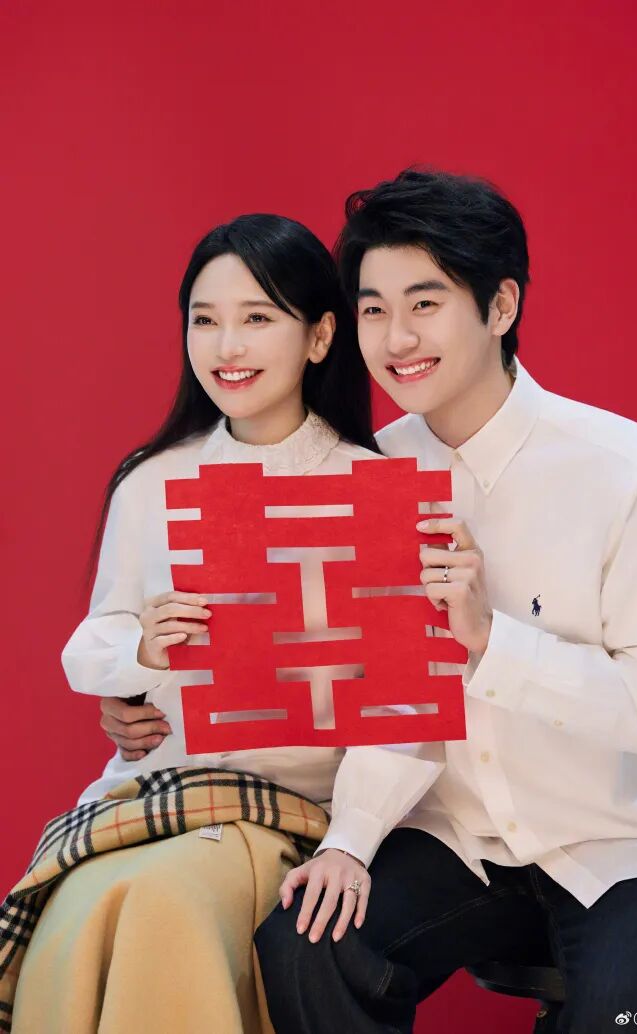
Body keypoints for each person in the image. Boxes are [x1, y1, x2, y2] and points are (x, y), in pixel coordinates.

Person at [250, 171, 637, 1033]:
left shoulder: (634, 474)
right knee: (305, 946)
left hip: (620, 843)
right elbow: (343, 680)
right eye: (373, 309)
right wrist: (153, 699)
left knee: (636, 1018)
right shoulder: (365, 472)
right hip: (458, 839)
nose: (397, 338)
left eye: (426, 303)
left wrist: (493, 643)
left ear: (500, 306)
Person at [2, 213, 439, 1034]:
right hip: (158, 792)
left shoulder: (376, 489)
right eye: (205, 321)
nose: (227, 347)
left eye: (257, 318)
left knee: (159, 905)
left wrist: (350, 839)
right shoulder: (152, 480)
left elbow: (406, 706)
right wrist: (141, 651)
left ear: (320, 337)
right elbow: (94, 641)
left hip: (295, 814)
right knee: (75, 910)